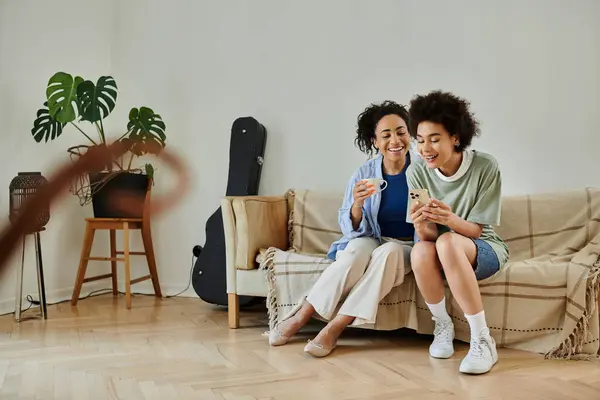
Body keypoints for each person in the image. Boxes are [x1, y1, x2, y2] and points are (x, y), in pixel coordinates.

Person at [268, 100, 417, 357]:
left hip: (407, 245)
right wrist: (358, 204)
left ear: (410, 134)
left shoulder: (423, 171)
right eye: (386, 135)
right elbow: (351, 229)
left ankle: (334, 329)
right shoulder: (365, 172)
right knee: (356, 250)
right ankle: (301, 316)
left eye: (401, 131)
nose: (395, 140)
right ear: (375, 142)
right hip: (372, 238)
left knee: (390, 251)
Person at [405, 90, 509, 375]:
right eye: (420, 140)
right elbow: (427, 237)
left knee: (449, 241)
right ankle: (443, 325)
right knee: (421, 248)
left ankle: (482, 339)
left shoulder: (485, 166)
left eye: (434, 139)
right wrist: (420, 223)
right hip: (441, 248)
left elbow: (476, 230)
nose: (425, 148)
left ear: (455, 137)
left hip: (483, 248)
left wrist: (449, 218)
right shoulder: (416, 171)